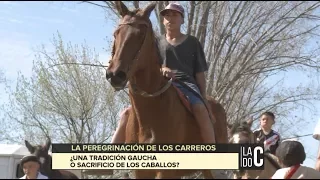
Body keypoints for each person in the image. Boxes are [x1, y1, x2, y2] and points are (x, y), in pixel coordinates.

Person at [110, 3, 216, 144]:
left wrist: (203, 97)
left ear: (182, 19)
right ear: (163, 20)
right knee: (126, 114)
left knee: (200, 109)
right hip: (161, 84)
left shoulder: (192, 42)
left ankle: (213, 155)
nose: (170, 18)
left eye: (175, 15)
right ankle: (106, 162)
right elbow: (150, 65)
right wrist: (162, 69)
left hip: (187, 84)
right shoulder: (156, 42)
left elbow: (199, 73)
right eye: (167, 15)